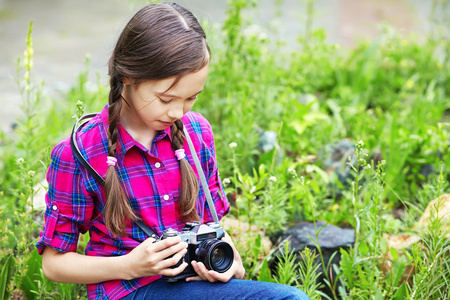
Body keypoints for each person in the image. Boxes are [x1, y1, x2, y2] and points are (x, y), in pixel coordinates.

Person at [36, 3, 310, 300]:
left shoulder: (196, 133)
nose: (178, 112)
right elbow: (54, 264)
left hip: (193, 285)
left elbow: (213, 226)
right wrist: (131, 266)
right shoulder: (80, 153)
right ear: (127, 76)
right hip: (129, 290)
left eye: (191, 97)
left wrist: (232, 266)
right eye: (166, 99)